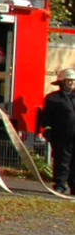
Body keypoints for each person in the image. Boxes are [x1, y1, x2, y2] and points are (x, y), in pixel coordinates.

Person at [40, 66, 75, 195]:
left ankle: (74, 186)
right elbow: (46, 117)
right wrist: (48, 130)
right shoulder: (53, 99)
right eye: (69, 80)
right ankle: (60, 185)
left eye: (73, 81)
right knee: (62, 161)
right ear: (62, 82)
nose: (71, 83)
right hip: (61, 136)